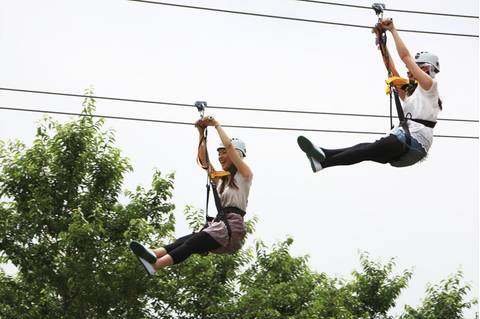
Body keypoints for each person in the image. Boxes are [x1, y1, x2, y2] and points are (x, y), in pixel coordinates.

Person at [298, 17, 442, 172]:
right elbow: (391, 70)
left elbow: (405, 58)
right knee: (364, 149)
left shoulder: (430, 86)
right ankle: (323, 157)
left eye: (416, 67)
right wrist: (381, 43)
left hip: (414, 141)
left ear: (427, 70)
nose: (409, 71)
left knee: (365, 150)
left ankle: (324, 161)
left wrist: (393, 30)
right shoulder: (411, 93)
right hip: (406, 144)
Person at [130, 115, 253, 275]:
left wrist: (216, 125)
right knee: (185, 241)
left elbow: (229, 145)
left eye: (224, 153)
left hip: (231, 228)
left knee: (193, 243)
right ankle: (154, 254)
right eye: (219, 153)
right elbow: (204, 161)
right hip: (221, 225)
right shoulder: (221, 180)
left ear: (237, 154)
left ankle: (156, 265)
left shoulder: (245, 175)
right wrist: (201, 132)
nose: (220, 157)